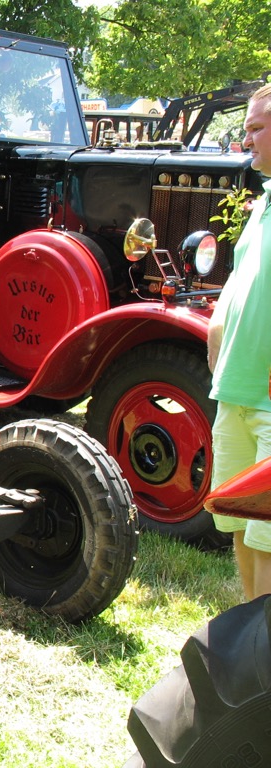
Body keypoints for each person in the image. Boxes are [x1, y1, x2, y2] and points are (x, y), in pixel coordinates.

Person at [207, 83, 271, 600]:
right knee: (238, 521)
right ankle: (250, 641)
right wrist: (215, 324)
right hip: (235, 391)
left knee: (270, 535)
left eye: (256, 128)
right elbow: (241, 278)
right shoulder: (263, 203)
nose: (245, 138)